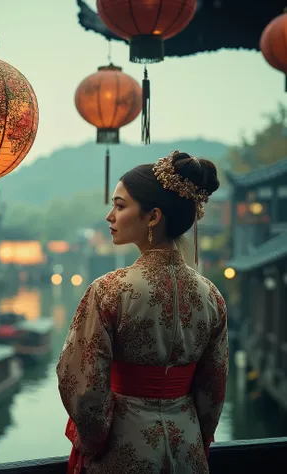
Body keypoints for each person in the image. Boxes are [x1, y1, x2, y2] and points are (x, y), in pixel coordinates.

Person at [56, 151, 228, 474]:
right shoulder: (211, 297)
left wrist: (94, 443)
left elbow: (82, 385)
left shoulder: (109, 291)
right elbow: (213, 393)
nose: (110, 216)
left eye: (120, 206)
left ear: (153, 217)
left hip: (124, 450)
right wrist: (193, 437)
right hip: (187, 451)